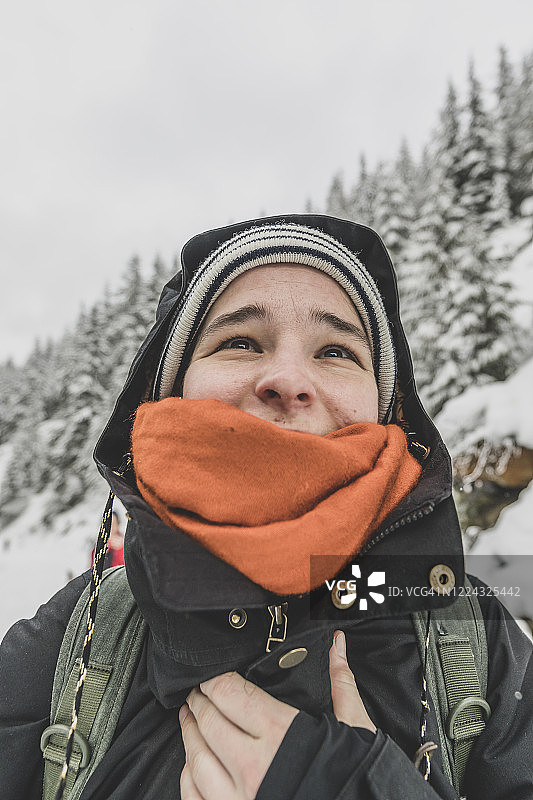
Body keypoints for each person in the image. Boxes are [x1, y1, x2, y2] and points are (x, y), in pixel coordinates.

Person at [0, 215, 531, 800]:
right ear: (173, 388)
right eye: (240, 342)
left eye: (335, 350)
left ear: (385, 413)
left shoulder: (476, 640)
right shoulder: (74, 640)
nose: (287, 379)